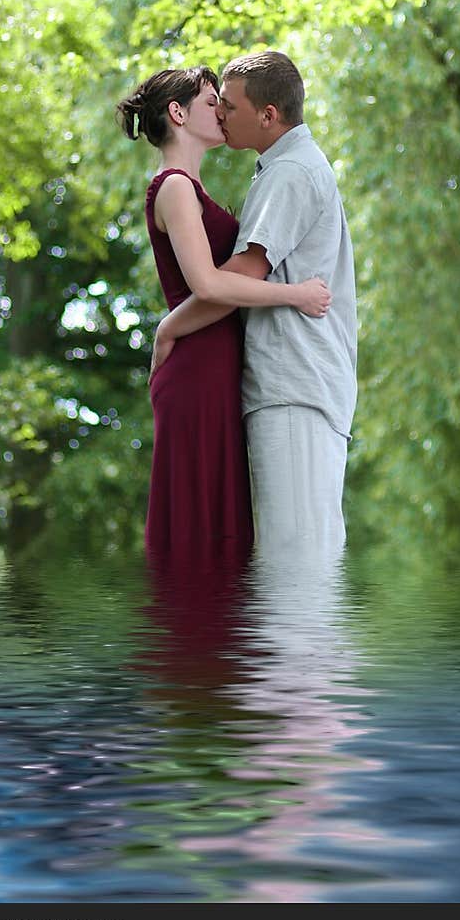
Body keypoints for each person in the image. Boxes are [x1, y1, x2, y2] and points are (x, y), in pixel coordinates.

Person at [117, 65, 331, 561]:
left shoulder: (191, 188)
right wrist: (295, 294)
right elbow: (209, 285)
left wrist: (169, 326)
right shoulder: (173, 187)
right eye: (213, 101)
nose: (222, 112)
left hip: (214, 366)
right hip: (196, 372)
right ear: (178, 113)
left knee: (222, 529)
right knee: (201, 527)